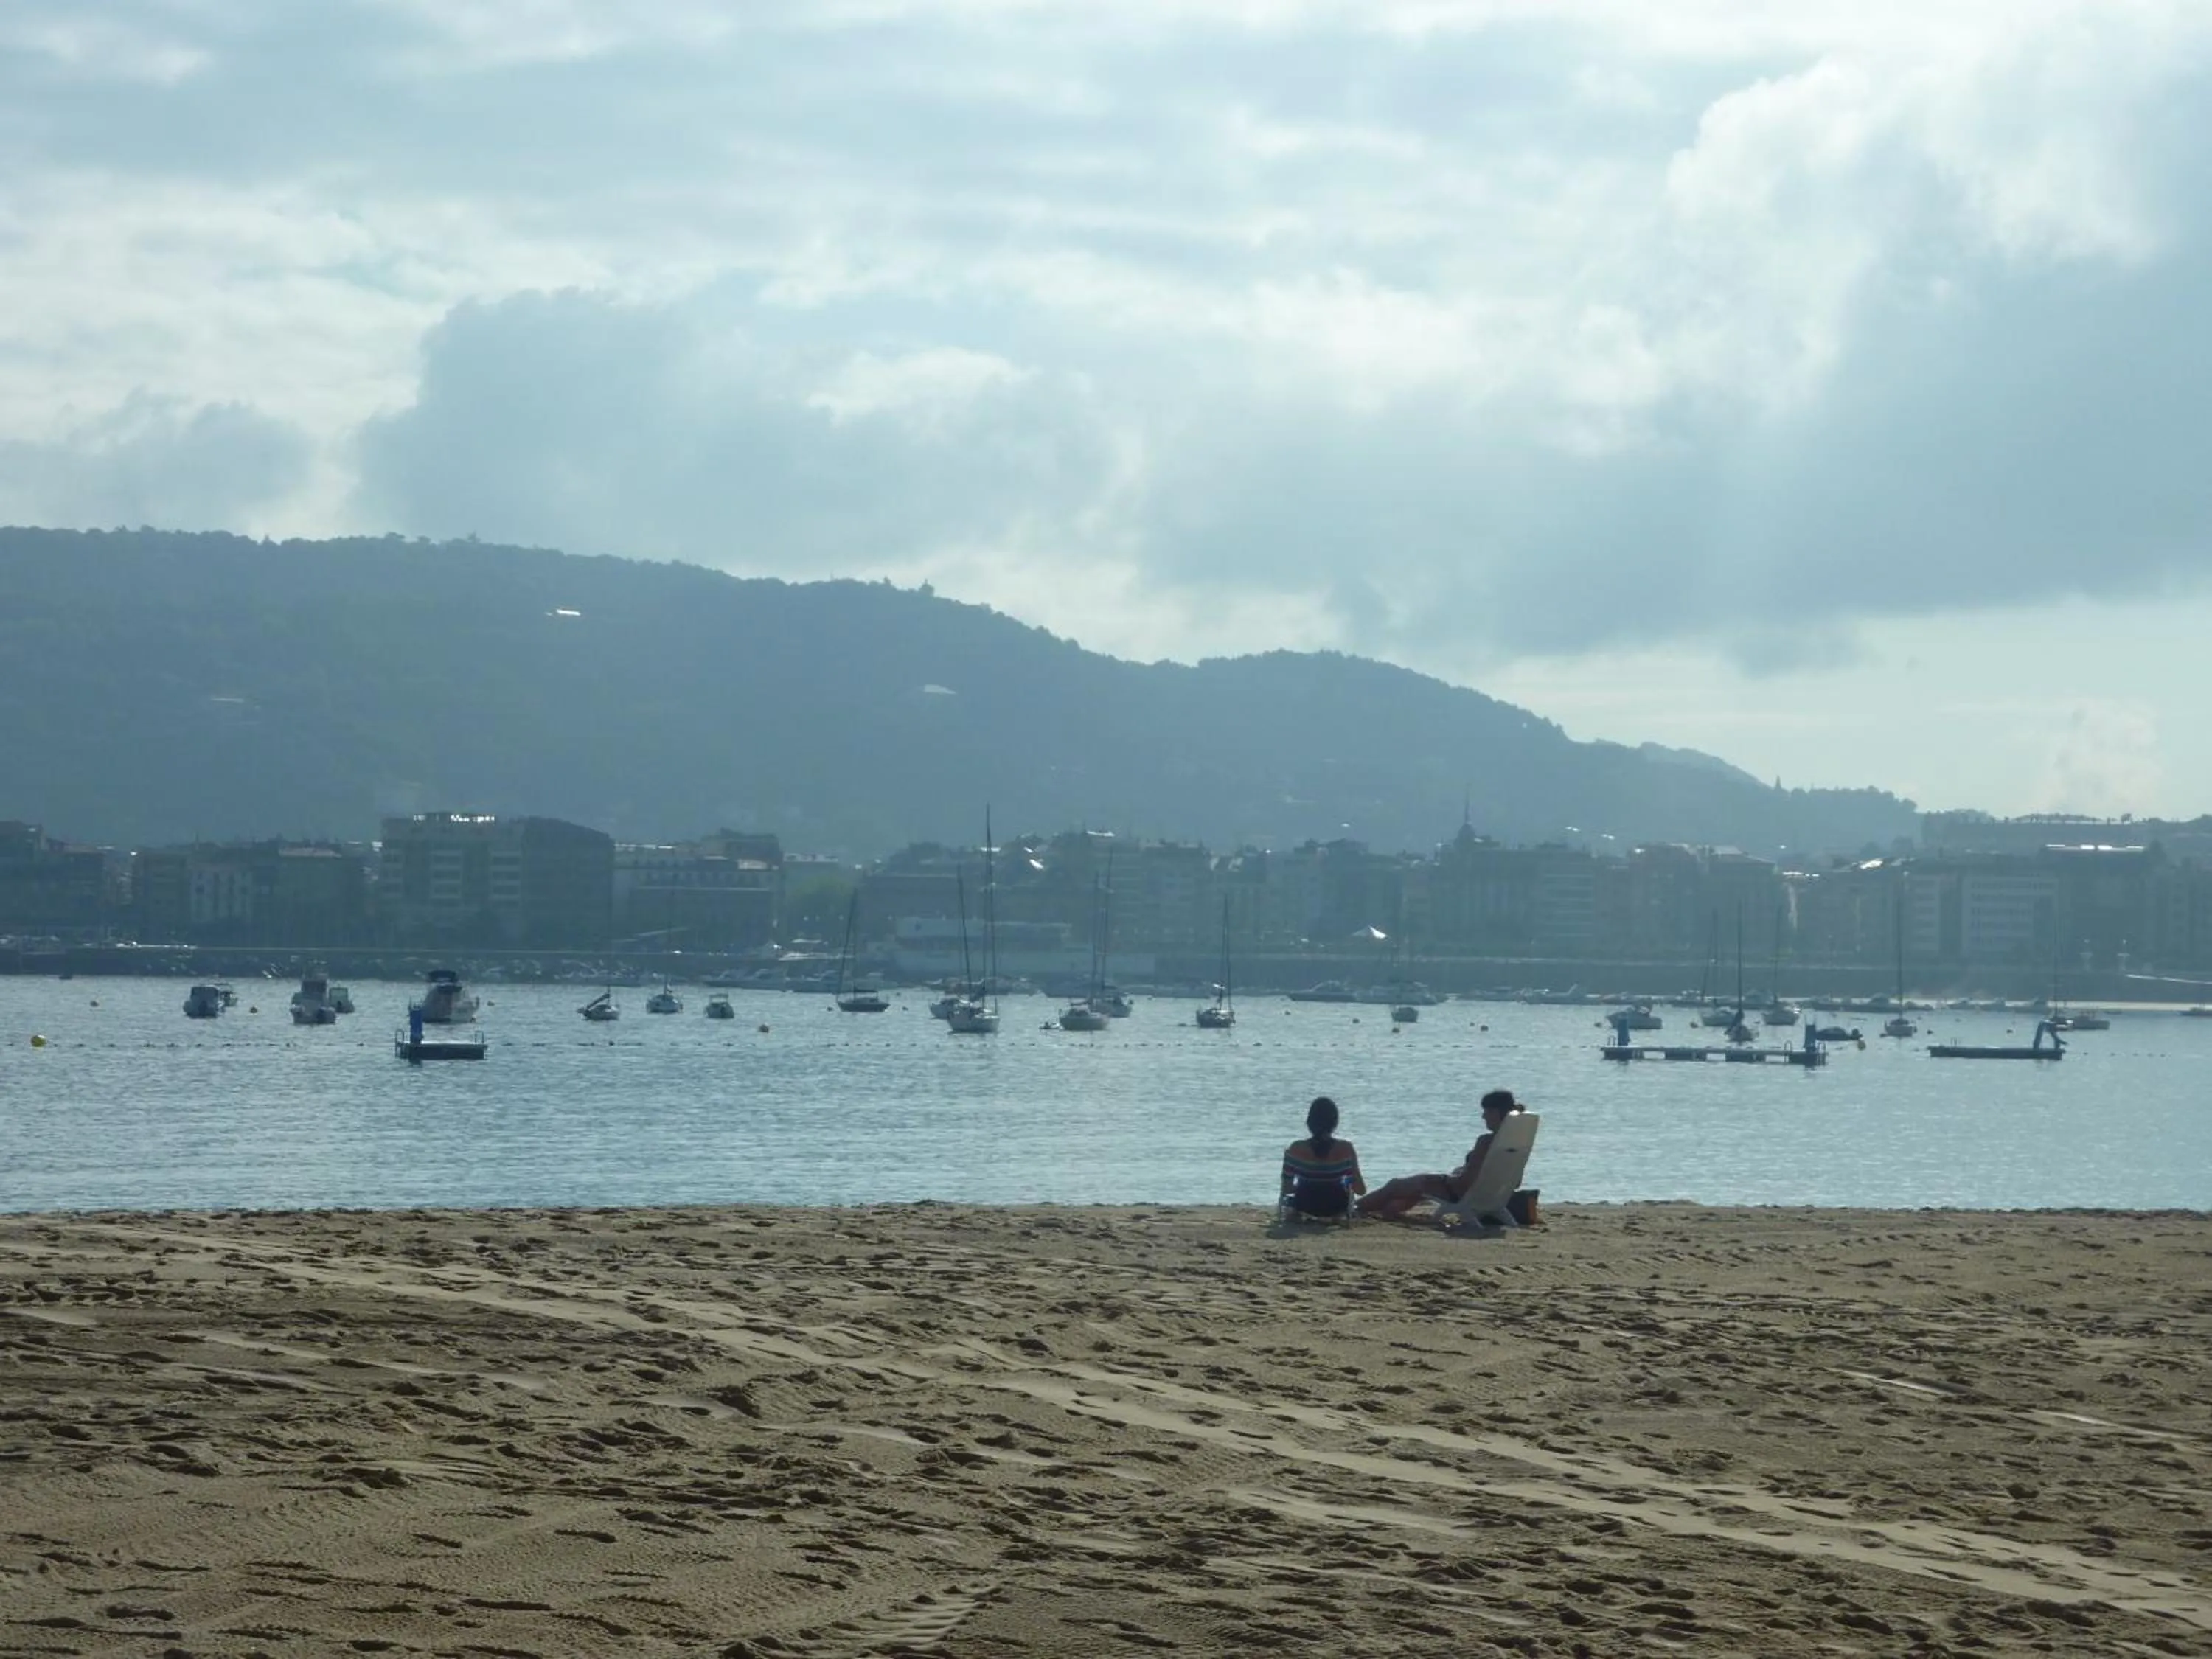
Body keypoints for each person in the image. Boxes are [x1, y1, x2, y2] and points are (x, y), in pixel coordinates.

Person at [1356, 1088, 1523, 1221]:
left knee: (1395, 1185)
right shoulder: (1516, 1141)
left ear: (1495, 1113)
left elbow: (1466, 1182)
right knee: (1401, 1198)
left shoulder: (1486, 1142)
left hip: (1460, 1194)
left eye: (1486, 1111)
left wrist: (1446, 1179)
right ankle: (1386, 1211)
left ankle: (1355, 1208)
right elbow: (1516, 1182)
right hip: (1494, 1198)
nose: (1483, 1116)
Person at [1280, 1096, 1366, 1219]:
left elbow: (1287, 1189)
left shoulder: (1296, 1148)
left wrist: (1307, 1187)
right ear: (1335, 1123)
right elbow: (1361, 1190)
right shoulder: (1346, 1149)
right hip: (1336, 1207)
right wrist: (1345, 1183)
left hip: (1304, 1205)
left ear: (1309, 1122)